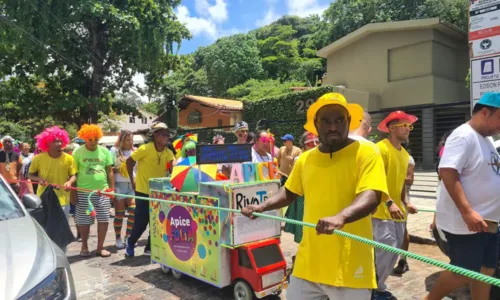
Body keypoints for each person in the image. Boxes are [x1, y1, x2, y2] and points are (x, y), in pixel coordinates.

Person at [242, 92, 388, 300]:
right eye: (326, 121)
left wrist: (341, 217)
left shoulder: (366, 152)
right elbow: (289, 192)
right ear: (316, 125)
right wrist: (261, 207)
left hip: (349, 266)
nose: (333, 126)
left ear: (348, 121)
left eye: (339, 120)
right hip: (309, 263)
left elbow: (372, 194)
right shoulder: (306, 159)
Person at [425, 93, 500, 300]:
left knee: (486, 271)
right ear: (485, 112)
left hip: (489, 220)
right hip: (468, 222)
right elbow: (448, 172)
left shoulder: (487, 140)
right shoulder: (463, 135)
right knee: (462, 272)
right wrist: (467, 212)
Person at [372, 111, 419, 300]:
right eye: (404, 125)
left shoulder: (405, 154)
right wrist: (389, 202)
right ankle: (375, 288)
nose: (408, 129)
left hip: (397, 211)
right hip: (380, 210)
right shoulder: (380, 149)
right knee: (386, 248)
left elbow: (400, 183)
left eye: (410, 126)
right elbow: (374, 180)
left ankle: (378, 287)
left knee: (396, 249)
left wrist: (405, 202)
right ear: (391, 128)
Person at [125, 122, 174, 257]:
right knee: (141, 221)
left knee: (159, 220)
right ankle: (130, 242)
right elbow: (129, 162)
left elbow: (173, 167)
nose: (166, 137)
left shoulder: (168, 152)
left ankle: (149, 247)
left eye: (167, 135)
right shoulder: (145, 149)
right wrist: (132, 179)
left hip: (160, 192)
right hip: (143, 190)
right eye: (163, 134)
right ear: (155, 135)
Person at [72, 124, 115, 258]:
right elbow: (74, 173)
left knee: (103, 219)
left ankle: (100, 248)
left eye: (95, 139)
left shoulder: (105, 151)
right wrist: (73, 193)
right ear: (85, 138)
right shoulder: (77, 152)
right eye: (90, 139)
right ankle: (84, 246)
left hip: (102, 192)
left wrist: (111, 189)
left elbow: (109, 171)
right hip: (83, 192)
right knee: (84, 220)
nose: (93, 142)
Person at [283, 132, 318, 269]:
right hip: (303, 199)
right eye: (310, 143)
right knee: (304, 235)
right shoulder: (300, 159)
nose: (314, 145)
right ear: (304, 145)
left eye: (317, 141)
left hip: (317, 199)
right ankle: (299, 262)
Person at [28, 126, 77, 219]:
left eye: (60, 141)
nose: (59, 143)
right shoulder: (38, 158)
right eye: (55, 141)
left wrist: (69, 182)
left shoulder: (69, 158)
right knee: (45, 228)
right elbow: (30, 175)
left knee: (61, 229)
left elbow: (73, 175)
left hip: (63, 199)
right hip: (44, 198)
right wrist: (39, 179)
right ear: (47, 142)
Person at [110, 130, 137, 249]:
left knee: (133, 211)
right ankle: (118, 238)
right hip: (119, 184)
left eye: (131, 139)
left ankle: (128, 236)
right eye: (127, 139)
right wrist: (119, 169)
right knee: (119, 213)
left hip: (132, 185)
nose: (130, 142)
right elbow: (110, 168)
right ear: (121, 140)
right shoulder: (114, 151)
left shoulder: (135, 151)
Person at [392, 142, 415, 275]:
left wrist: (398, 175)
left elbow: (410, 179)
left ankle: (403, 260)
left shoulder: (408, 158)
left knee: (402, 229)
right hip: (387, 197)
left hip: (402, 198)